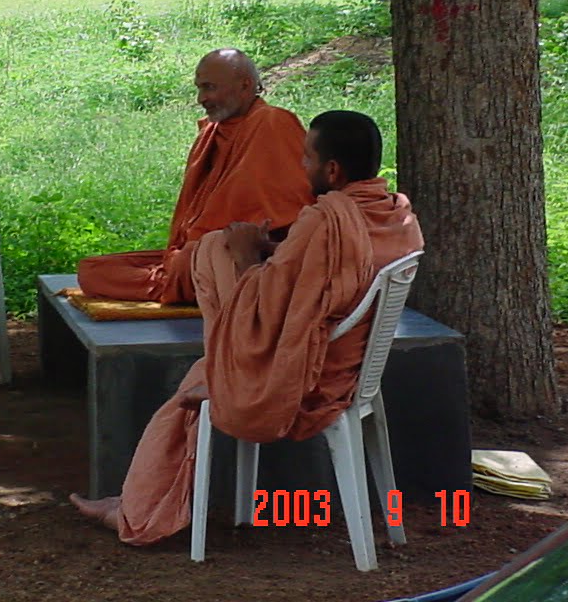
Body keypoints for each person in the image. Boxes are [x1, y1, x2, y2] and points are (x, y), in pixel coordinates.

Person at [70, 110, 424, 545]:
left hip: (304, 380)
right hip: (352, 370)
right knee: (203, 334)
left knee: (209, 273)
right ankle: (135, 503)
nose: (300, 167)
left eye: (307, 159)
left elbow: (271, 308)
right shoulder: (396, 212)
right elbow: (322, 277)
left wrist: (244, 258)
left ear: (332, 170)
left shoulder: (325, 218)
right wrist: (275, 249)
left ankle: (136, 511)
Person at [78, 48, 312, 304]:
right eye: (199, 88)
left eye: (209, 88)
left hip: (241, 255)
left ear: (245, 85)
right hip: (198, 253)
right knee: (91, 270)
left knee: (185, 261)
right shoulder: (213, 131)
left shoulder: (272, 123)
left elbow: (277, 212)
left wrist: (205, 247)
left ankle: (184, 283)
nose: (202, 98)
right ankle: (181, 282)